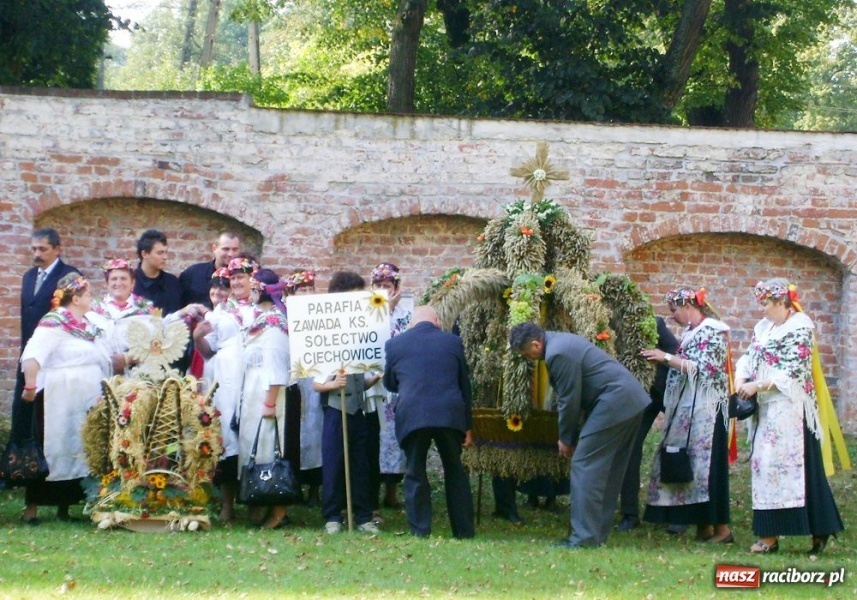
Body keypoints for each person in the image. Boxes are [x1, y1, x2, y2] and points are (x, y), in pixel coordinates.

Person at [509, 322, 650, 548]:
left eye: (527, 354)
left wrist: (566, 438)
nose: (529, 358)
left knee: (584, 464)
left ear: (536, 344)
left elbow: (569, 399)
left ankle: (583, 538)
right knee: (608, 470)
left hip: (615, 401)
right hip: (629, 400)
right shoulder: (558, 341)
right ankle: (595, 535)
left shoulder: (557, 353)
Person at [735, 278, 844, 555]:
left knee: (800, 472)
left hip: (792, 410)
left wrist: (757, 385)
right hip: (767, 410)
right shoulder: (764, 327)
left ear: (782, 302)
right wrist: (741, 377)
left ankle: (817, 529)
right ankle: (770, 534)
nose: (761, 309)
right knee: (765, 467)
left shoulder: (800, 326)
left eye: (766, 303)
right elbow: (750, 355)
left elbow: (794, 369)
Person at [641, 288, 733, 543]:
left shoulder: (714, 330)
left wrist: (666, 357)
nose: (671, 318)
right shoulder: (693, 332)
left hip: (709, 411)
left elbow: (705, 370)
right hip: (691, 409)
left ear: (688, 306)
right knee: (693, 465)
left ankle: (723, 529)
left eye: (673, 311)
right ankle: (703, 525)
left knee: (710, 468)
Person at [19, 274, 112, 524]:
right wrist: (30, 386)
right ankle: (32, 507)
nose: (91, 298)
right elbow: (33, 355)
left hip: (86, 394)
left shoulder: (89, 325)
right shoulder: (54, 323)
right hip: (60, 395)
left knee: (80, 445)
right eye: (88, 294)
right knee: (55, 445)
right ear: (77, 298)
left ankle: (65, 506)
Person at [384, 305, 475, 539]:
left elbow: (390, 383)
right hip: (449, 414)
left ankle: (420, 531)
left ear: (412, 323)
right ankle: (463, 531)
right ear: (436, 320)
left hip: (413, 414)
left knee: (415, 472)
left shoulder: (395, 344)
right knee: (455, 470)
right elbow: (464, 384)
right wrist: (468, 425)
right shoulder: (452, 342)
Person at [10, 228, 79, 520]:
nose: (37, 254)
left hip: (57, 367)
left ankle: (63, 504)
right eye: (34, 248)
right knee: (28, 431)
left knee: (56, 432)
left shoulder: (70, 277)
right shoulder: (29, 277)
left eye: (43, 249)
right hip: (30, 362)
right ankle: (31, 504)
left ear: (57, 249)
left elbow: (73, 319)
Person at [313, 271, 382, 535]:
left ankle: (363, 515)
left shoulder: (362, 332)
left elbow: (359, 381)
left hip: (359, 409)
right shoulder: (326, 331)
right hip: (335, 409)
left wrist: (372, 379)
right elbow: (317, 383)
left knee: (360, 463)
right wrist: (333, 385)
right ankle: (332, 515)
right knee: (334, 463)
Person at [193, 254, 260, 522]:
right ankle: (227, 504)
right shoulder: (220, 311)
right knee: (229, 439)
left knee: (257, 436)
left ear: (252, 278)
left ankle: (258, 502)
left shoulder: (265, 307)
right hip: (228, 379)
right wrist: (198, 338)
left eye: (240, 277)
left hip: (255, 376)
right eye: (232, 278)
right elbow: (208, 352)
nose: (236, 283)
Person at [237, 269, 291, 529]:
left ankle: (278, 507)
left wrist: (270, 402)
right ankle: (257, 500)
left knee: (270, 450)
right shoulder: (259, 320)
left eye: (255, 288)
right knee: (254, 450)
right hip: (252, 394)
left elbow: (278, 365)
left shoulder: (275, 324)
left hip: (268, 398)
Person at [616, 316, 679, 532]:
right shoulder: (599, 322)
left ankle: (676, 512)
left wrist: (660, 360)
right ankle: (629, 513)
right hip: (628, 397)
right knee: (630, 449)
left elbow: (675, 350)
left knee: (676, 448)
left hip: (658, 392)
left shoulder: (652, 322)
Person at [97, 258, 206, 375]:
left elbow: (160, 331)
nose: (118, 283)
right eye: (113, 279)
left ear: (132, 283)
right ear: (107, 283)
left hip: (137, 375)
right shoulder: (95, 311)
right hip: (104, 374)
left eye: (123, 278)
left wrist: (128, 358)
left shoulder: (145, 309)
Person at [366, 262, 410, 514]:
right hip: (372, 382)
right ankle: (372, 496)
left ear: (396, 287)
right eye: (378, 286)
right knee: (375, 439)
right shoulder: (366, 311)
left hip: (396, 385)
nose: (382, 290)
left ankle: (391, 493)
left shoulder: (405, 314)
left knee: (395, 440)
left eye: (387, 286)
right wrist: (384, 309)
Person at [286, 270, 323, 507]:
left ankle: (314, 488)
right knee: (293, 431)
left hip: (314, 380)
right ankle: (292, 485)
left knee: (315, 432)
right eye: (302, 290)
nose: (307, 294)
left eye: (310, 289)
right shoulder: (283, 318)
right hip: (293, 380)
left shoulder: (320, 319)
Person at [179, 231, 241, 308]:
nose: (230, 254)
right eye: (226, 249)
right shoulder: (193, 273)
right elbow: (178, 304)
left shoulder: (245, 279)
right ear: (214, 248)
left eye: (235, 250)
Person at [133, 229, 182, 315]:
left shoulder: (172, 282)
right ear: (144, 254)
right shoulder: (130, 282)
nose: (165, 257)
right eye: (160, 253)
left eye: (166, 252)